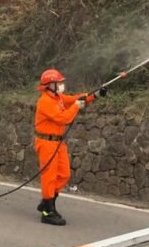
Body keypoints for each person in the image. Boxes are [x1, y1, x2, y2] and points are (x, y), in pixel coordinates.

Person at [33, 69, 104, 226]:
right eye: (58, 83)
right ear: (49, 85)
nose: (61, 85)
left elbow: (74, 99)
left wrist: (95, 95)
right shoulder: (45, 101)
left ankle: (47, 202)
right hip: (46, 142)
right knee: (49, 176)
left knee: (64, 174)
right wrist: (76, 107)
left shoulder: (58, 97)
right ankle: (48, 211)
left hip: (58, 142)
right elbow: (63, 118)